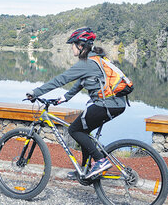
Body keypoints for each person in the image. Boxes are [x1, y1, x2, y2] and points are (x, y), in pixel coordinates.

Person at [26, 27, 126, 179]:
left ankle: (100, 161)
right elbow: (82, 82)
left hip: (106, 104)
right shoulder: (97, 59)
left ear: (80, 45)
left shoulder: (86, 63)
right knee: (84, 131)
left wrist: (36, 92)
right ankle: (85, 170)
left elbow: (61, 79)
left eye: (72, 44)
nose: (71, 47)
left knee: (74, 130)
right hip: (116, 104)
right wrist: (65, 98)